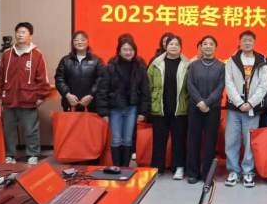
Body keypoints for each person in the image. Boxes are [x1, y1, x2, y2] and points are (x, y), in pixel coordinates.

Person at [0, 22, 50, 165]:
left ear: (30, 36)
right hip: (9, 98)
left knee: (31, 130)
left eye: (24, 32)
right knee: (8, 130)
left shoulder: (37, 54)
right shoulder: (7, 54)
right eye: (18, 32)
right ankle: (9, 155)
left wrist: (41, 96)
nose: (20, 35)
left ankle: (32, 154)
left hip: (28, 98)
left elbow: (43, 77)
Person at [225, 30, 267, 188]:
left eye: (250, 40)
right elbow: (228, 83)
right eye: (244, 40)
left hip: (252, 109)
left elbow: (263, 85)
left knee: (250, 143)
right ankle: (233, 171)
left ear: (254, 43)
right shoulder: (232, 60)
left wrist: (250, 103)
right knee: (231, 141)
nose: (247, 43)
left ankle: (248, 172)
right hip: (234, 108)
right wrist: (239, 103)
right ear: (240, 42)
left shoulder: (261, 61)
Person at [96, 38, 150, 167]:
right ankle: (116, 167)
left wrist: (143, 111)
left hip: (132, 108)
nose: (128, 52)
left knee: (128, 138)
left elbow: (145, 91)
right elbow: (102, 90)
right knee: (115, 138)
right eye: (125, 49)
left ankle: (125, 167)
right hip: (115, 108)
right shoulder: (110, 68)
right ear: (119, 51)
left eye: (131, 49)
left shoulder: (140, 68)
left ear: (135, 51)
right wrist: (103, 112)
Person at [149, 35, 191, 180]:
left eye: (177, 44)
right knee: (159, 139)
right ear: (165, 46)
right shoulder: (156, 64)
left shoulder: (187, 64)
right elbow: (149, 84)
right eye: (171, 44)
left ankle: (178, 167)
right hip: (160, 107)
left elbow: (190, 86)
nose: (173, 47)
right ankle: (157, 167)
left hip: (180, 108)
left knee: (179, 140)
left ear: (181, 47)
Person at [186, 36, 225, 184]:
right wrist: (200, 102)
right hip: (195, 107)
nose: (208, 46)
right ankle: (193, 173)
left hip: (213, 108)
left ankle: (207, 174)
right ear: (201, 47)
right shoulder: (194, 65)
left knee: (210, 141)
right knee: (194, 140)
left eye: (211, 44)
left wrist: (207, 102)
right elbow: (190, 84)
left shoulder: (221, 66)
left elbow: (220, 87)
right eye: (205, 44)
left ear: (216, 47)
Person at [55, 31, 105, 113]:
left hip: (91, 104)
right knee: (69, 122)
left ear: (87, 42)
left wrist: (91, 95)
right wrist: (67, 95)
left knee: (89, 122)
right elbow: (59, 79)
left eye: (83, 40)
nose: (80, 42)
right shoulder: (65, 60)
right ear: (72, 43)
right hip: (70, 103)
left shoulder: (97, 60)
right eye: (76, 40)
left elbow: (101, 79)